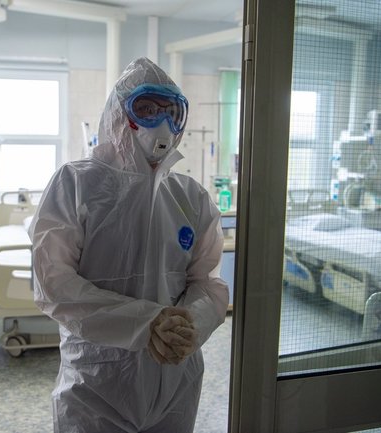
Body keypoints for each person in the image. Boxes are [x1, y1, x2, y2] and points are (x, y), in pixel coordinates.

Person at [28, 57, 229, 433]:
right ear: (119, 114)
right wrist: (147, 322)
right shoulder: (76, 184)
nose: (162, 122)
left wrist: (191, 326)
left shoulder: (191, 197)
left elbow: (207, 283)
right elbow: (53, 284)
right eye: (147, 109)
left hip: (175, 382)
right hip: (96, 384)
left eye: (172, 112)